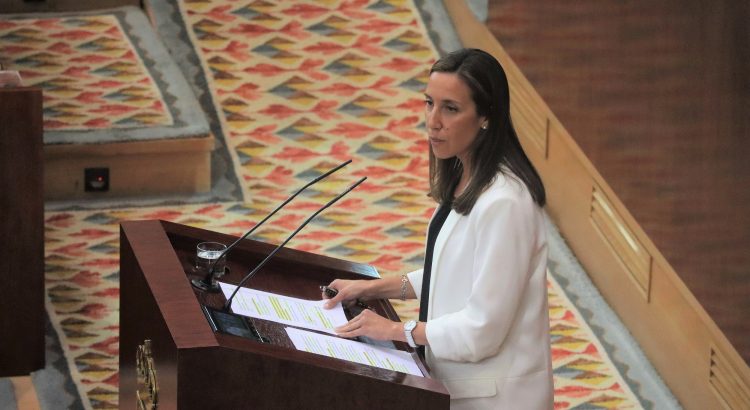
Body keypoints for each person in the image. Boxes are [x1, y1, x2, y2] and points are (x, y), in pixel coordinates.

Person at [323, 48, 553, 409]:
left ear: (486, 117)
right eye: (430, 103)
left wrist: (397, 331)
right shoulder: (468, 174)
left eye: (451, 108)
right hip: (456, 383)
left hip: (495, 398)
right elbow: (453, 274)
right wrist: (372, 288)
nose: (433, 121)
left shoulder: (506, 204)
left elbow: (484, 330)